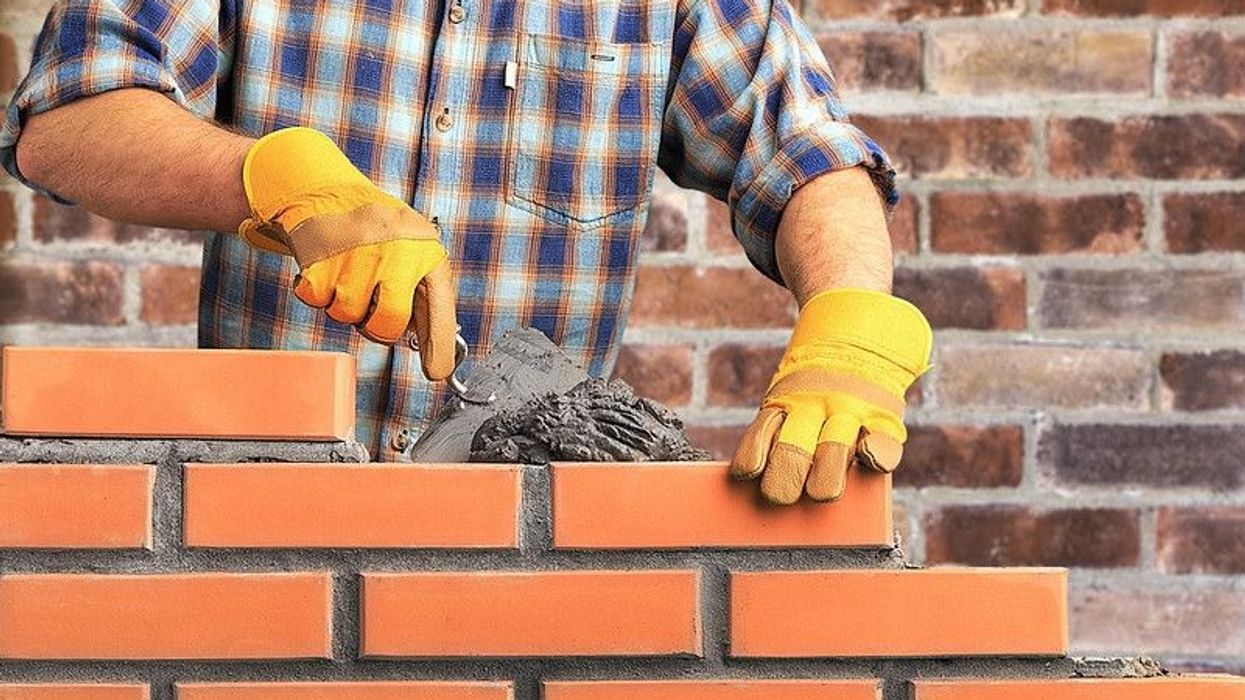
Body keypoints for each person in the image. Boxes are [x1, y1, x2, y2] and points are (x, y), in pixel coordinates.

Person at [1, 0, 932, 505]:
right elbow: (70, 118)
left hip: (527, 551)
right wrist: (281, 180)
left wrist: (849, 326)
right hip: (254, 528)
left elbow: (808, 156)